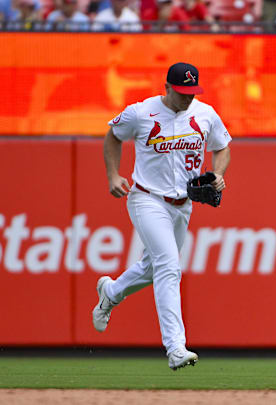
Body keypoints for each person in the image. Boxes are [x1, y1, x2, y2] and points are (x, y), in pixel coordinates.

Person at [95, 62, 232, 371]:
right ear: (167, 87)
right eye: (182, 92)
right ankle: (175, 348)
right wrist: (113, 174)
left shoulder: (205, 114)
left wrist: (218, 175)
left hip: (184, 204)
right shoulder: (141, 112)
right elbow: (113, 135)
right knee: (169, 266)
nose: (187, 98)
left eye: (192, 92)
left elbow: (223, 147)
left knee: (152, 267)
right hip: (147, 198)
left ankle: (111, 292)